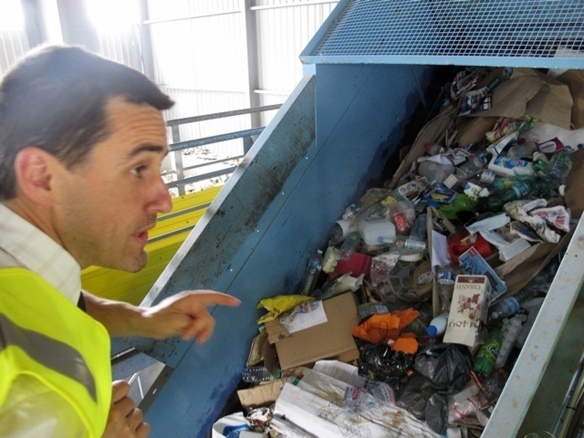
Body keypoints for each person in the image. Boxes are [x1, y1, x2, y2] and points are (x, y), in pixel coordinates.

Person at [0, 44, 241, 437]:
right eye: (138, 168)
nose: (165, 199)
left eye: (158, 167)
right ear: (41, 176)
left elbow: (56, 300)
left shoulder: (28, 264)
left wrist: (142, 319)